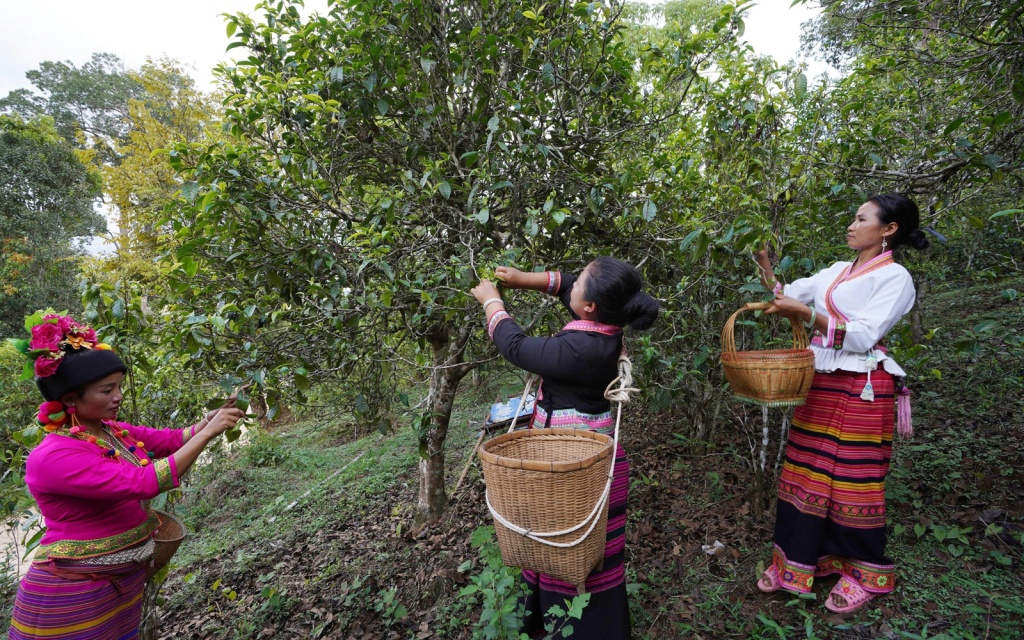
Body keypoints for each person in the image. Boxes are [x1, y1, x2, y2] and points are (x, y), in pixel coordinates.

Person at [7, 312, 245, 639]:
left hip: (120, 586)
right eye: (106, 390)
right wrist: (209, 434)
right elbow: (146, 483)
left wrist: (210, 420)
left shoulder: (111, 431)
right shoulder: (53, 456)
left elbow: (172, 439)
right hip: (73, 595)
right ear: (70, 399)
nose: (117, 396)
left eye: (118, 386)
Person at [752, 194, 930, 613]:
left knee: (851, 479)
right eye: (853, 218)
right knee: (806, 471)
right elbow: (784, 293)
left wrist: (806, 314)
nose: (851, 225)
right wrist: (763, 260)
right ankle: (798, 560)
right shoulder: (836, 271)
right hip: (822, 380)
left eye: (861, 219)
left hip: (863, 386)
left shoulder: (896, 278)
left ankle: (863, 572)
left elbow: (865, 335)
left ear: (888, 230)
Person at [470, 257, 659, 639]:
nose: (572, 284)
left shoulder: (580, 350)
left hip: (572, 467)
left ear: (589, 307)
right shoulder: (604, 328)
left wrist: (492, 301)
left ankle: (577, 629)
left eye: (580, 285)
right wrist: (525, 279)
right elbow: (571, 283)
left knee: (564, 547)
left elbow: (517, 347)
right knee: (582, 547)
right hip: (596, 454)